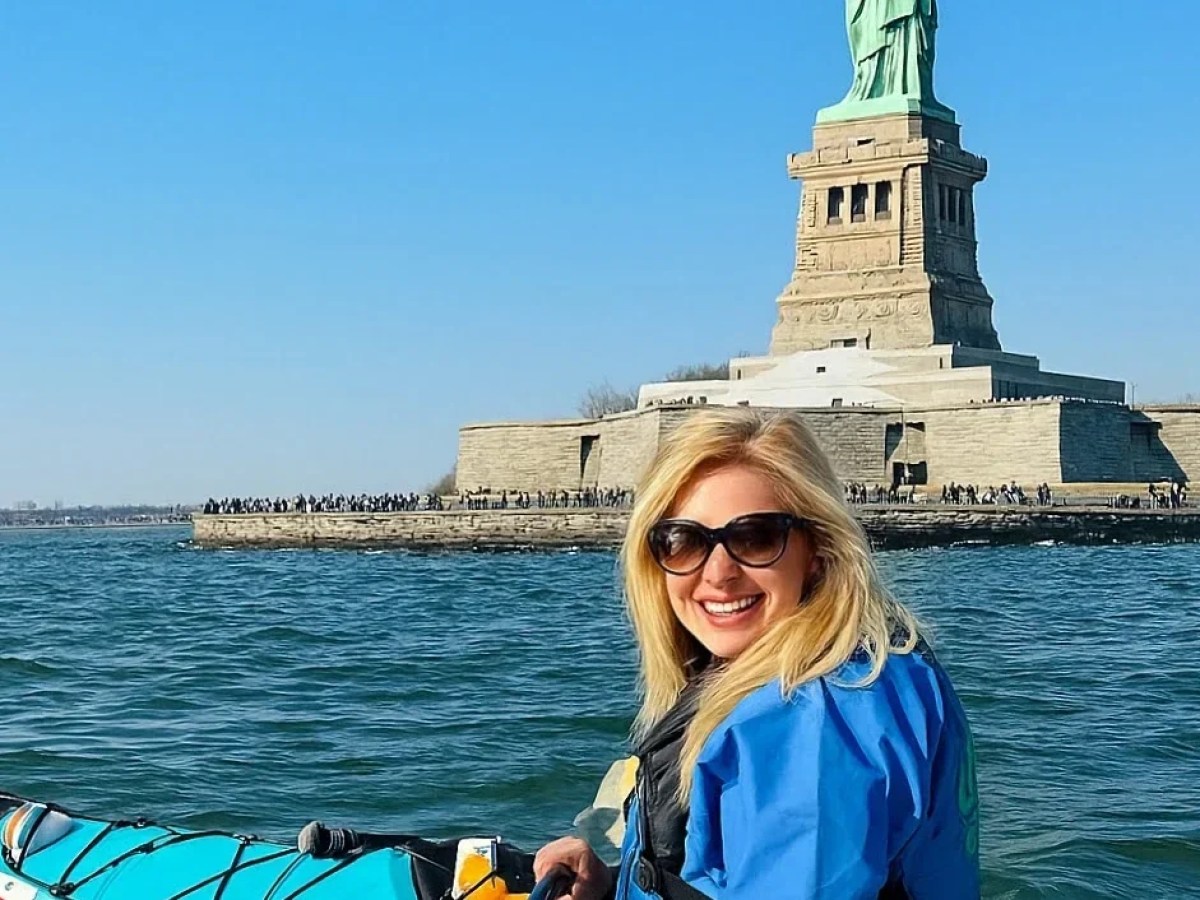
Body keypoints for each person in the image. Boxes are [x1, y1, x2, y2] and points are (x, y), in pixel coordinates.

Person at [535, 409, 979, 899]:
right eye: (683, 542)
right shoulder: (860, 669)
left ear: (819, 549)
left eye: (756, 537)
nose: (719, 572)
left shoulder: (809, 724)